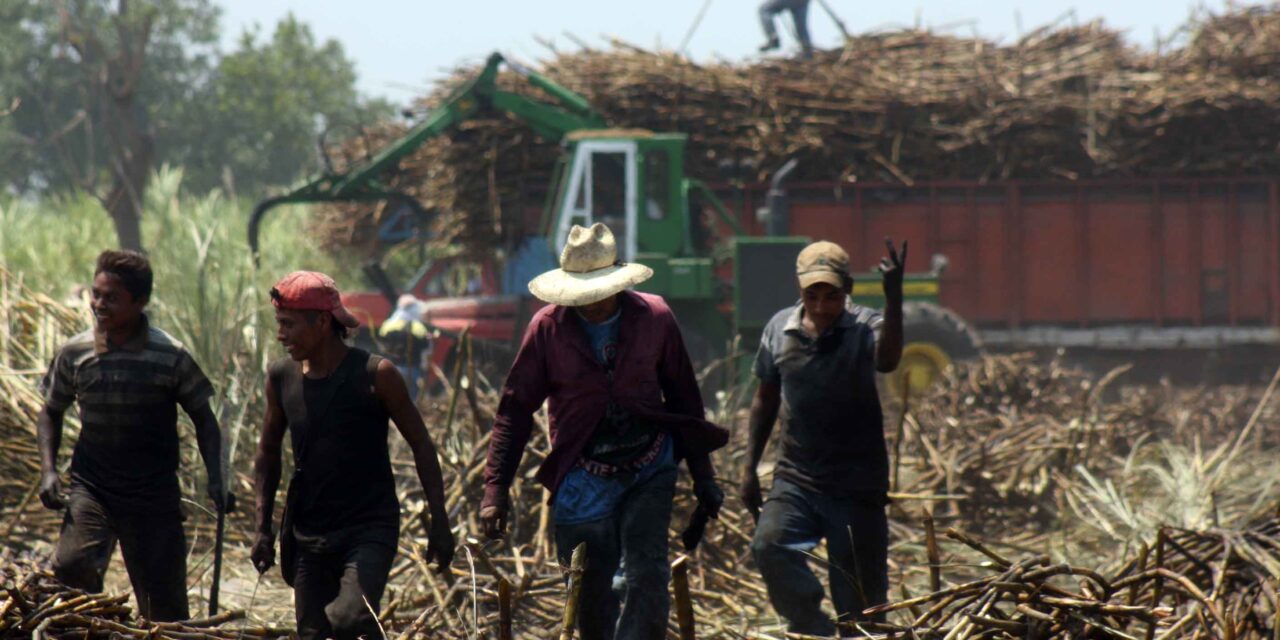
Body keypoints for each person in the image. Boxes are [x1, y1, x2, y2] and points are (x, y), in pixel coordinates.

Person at [480, 223, 728, 640]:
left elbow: (685, 397)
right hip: (582, 473)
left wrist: (705, 476)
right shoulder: (547, 329)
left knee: (646, 575)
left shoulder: (654, 318)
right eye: (583, 295)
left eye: (599, 292)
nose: (592, 303)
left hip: (649, 463)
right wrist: (495, 491)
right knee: (590, 592)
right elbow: (515, 411)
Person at [250, 271, 454, 640]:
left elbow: (422, 445)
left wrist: (438, 519)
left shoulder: (376, 375)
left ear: (323, 321)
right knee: (313, 633)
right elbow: (267, 454)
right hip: (308, 531)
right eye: (279, 324)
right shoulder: (281, 377)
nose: (280, 335)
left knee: (349, 619)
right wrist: (263, 528)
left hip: (368, 527)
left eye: (288, 324)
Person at [37, 249, 232, 621]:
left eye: (111, 297)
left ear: (140, 302)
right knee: (71, 568)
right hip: (93, 486)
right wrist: (48, 471)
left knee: (165, 609)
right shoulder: (75, 352)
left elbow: (205, 419)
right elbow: (50, 410)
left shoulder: (169, 355)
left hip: (152, 493)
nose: (98, 304)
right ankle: (91, 625)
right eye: (96, 294)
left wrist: (217, 478)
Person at [740, 239, 906, 636]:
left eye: (830, 296)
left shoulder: (866, 325)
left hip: (856, 483)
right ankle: (811, 623)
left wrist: (894, 298)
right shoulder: (780, 329)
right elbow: (765, 400)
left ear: (847, 290)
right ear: (799, 290)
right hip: (797, 477)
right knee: (769, 545)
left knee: (861, 609)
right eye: (811, 295)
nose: (820, 306)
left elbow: (887, 360)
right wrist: (749, 468)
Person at [378, 294, 432, 401]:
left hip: (391, 367)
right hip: (411, 369)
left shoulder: (387, 325)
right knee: (410, 400)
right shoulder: (419, 327)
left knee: (391, 398)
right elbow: (426, 349)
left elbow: (381, 345)